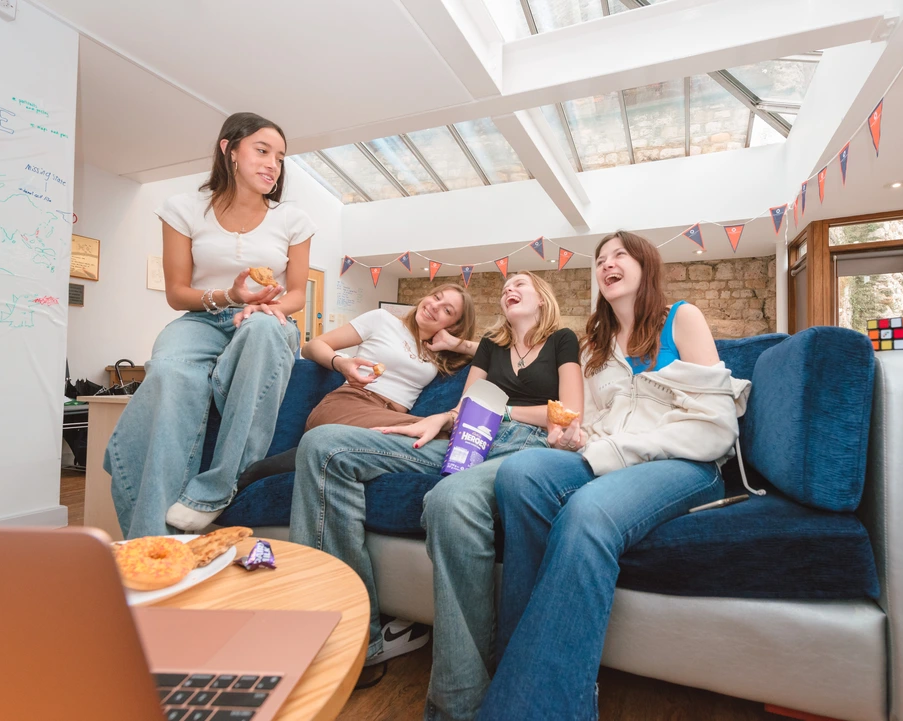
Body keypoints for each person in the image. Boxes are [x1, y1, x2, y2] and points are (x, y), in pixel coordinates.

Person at [478, 232, 752, 721]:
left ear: (645, 265)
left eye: (619, 255)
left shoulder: (680, 319)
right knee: (520, 474)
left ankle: (532, 707)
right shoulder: (595, 344)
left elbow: (714, 428)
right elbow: (592, 422)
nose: (607, 264)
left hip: (685, 464)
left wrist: (606, 451)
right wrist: (576, 438)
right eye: (600, 259)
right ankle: (518, 666)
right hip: (612, 454)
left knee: (587, 511)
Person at [289, 272, 582, 706]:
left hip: (526, 446)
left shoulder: (562, 339)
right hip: (470, 438)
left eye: (520, 284)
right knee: (322, 445)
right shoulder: (491, 345)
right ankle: (351, 639)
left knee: (447, 501)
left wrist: (502, 412)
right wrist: (440, 419)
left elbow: (568, 413)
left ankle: (457, 705)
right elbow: (466, 406)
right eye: (505, 287)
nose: (509, 290)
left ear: (542, 298)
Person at [107, 112, 316, 539]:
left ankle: (216, 489)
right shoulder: (183, 209)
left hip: (267, 319)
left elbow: (297, 294)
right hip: (202, 317)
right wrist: (231, 297)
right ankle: (149, 543)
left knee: (261, 331)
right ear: (229, 149)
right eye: (262, 150)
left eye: (280, 156)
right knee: (167, 372)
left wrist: (263, 306)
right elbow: (177, 292)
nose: (273, 163)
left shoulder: (293, 220)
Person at [235, 285, 479, 487]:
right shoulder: (382, 320)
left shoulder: (439, 352)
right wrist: (341, 363)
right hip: (347, 404)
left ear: (455, 325)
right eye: (435, 297)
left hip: (384, 419)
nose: (434, 306)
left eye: (447, 310)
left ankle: (308, 456)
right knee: (447, 440)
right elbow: (311, 347)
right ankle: (304, 454)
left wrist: (457, 344)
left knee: (441, 440)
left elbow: (495, 353)